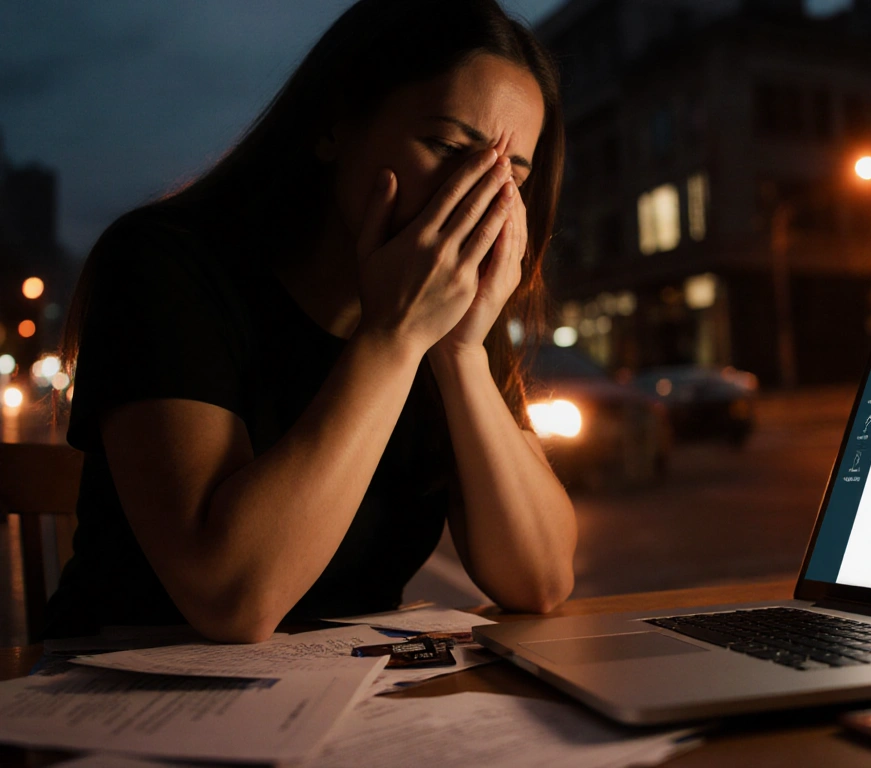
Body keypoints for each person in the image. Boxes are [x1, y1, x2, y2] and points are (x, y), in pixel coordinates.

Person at [44, 0, 576, 642]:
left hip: (345, 710)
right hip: (123, 703)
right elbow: (232, 598)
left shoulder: (451, 316)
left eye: (510, 175)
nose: (476, 197)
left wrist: (461, 356)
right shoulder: (164, 264)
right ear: (336, 126)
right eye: (444, 145)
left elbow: (540, 580)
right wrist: (394, 338)